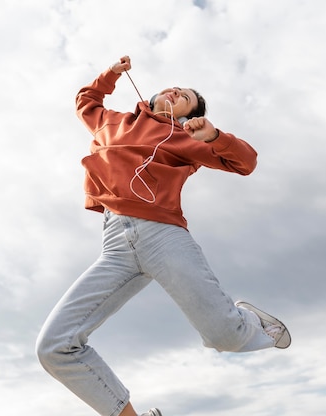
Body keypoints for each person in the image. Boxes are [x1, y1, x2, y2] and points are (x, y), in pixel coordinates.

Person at [36, 56, 291, 416]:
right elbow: (86, 101)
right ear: (153, 95)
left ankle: (252, 321)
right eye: (173, 88)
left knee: (226, 337)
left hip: (162, 235)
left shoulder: (189, 137)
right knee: (54, 346)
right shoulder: (112, 122)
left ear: (188, 115)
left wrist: (214, 136)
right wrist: (110, 74)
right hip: (115, 245)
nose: (176, 92)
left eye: (186, 97)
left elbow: (245, 162)